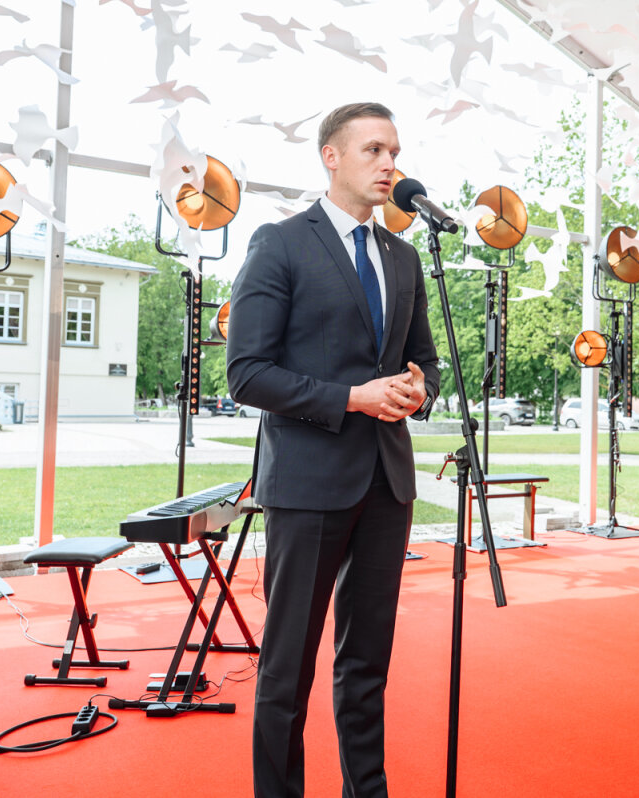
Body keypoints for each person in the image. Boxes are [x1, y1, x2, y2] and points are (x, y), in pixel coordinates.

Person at [226, 102, 440, 798]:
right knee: (287, 666)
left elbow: (424, 361)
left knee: (367, 665)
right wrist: (352, 398)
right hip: (308, 481)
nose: (390, 165)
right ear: (332, 156)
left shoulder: (404, 257)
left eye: (395, 152)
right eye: (374, 150)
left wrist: (419, 390)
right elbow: (246, 374)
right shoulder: (280, 243)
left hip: (386, 483)